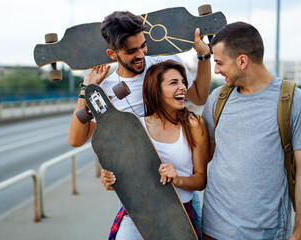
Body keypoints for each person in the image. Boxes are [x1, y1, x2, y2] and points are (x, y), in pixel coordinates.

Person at [68, 10, 211, 237]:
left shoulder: (166, 65)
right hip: (138, 195)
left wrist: (204, 57)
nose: (141, 55)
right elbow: (76, 139)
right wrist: (87, 89)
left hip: (178, 189)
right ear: (112, 54)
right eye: (131, 51)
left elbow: (200, 97)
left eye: (143, 46)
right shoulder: (107, 89)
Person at [201, 21, 301, 240]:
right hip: (213, 230)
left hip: (266, 234)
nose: (216, 70)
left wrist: (299, 231)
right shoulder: (217, 99)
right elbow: (197, 157)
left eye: (219, 62)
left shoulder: (293, 101)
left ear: (242, 61)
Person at [102, 60, 208, 239]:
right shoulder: (137, 127)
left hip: (178, 216)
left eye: (183, 82)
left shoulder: (194, 124)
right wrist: (111, 181)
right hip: (138, 215)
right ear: (155, 90)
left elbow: (201, 179)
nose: (182, 87)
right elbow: (128, 179)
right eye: (174, 83)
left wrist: (179, 180)